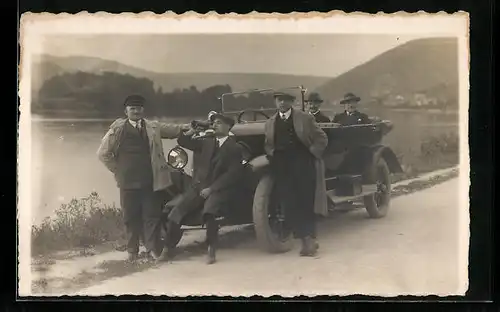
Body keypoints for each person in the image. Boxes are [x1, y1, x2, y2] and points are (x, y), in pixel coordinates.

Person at [97, 94, 191, 262]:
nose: (136, 111)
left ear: (143, 110)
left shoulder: (152, 127)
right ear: (126, 111)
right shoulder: (117, 130)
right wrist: (118, 171)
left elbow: (173, 129)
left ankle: (152, 250)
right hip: (127, 181)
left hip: (150, 180)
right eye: (132, 108)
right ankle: (132, 251)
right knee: (130, 217)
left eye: (139, 108)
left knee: (151, 216)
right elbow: (103, 154)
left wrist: (189, 127)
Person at [159, 112, 243, 264]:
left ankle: (211, 249)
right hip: (198, 187)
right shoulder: (207, 142)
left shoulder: (235, 148)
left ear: (228, 126)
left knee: (209, 212)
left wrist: (211, 189)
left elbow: (232, 175)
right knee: (176, 211)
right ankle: (168, 249)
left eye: (219, 123)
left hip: (218, 189)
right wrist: (191, 131)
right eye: (214, 122)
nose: (215, 125)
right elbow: (184, 141)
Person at [264, 91, 328, 257]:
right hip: (282, 167)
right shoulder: (270, 122)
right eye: (279, 100)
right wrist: (272, 155)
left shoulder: (304, 118)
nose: (282, 103)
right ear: (275, 102)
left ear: (291, 102)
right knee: (290, 205)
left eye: (286, 100)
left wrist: (311, 153)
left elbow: (322, 138)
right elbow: (268, 144)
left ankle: (309, 241)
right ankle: (306, 240)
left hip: (302, 165)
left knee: (305, 203)